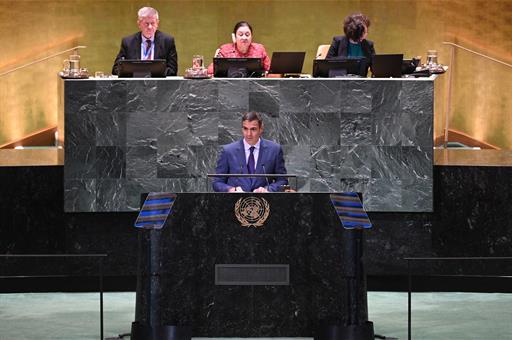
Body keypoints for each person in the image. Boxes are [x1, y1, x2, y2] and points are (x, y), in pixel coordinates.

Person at [212, 112, 287, 193]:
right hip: (235, 202)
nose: (248, 134)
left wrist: (268, 190)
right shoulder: (228, 151)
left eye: (253, 129)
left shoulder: (274, 150)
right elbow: (217, 182)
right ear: (242, 129)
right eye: (245, 128)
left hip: (264, 202)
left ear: (261, 129)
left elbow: (282, 181)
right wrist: (231, 190)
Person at [112, 7, 178, 76]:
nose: (150, 27)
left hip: (159, 85)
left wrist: (149, 72)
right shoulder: (128, 42)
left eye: (152, 23)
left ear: (157, 23)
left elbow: (173, 70)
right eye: (146, 23)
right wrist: (139, 73)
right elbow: (116, 69)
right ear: (139, 24)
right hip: (134, 84)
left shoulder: (167, 41)